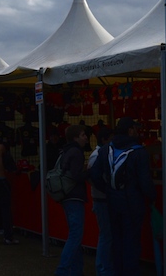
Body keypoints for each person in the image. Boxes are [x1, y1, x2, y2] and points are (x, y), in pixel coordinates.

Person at [90, 118, 155, 276]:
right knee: (131, 241)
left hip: (113, 202)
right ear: (130, 130)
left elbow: (94, 175)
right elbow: (145, 182)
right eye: (135, 128)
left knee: (117, 240)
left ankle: (118, 271)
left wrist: (108, 190)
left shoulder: (105, 149)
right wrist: (151, 197)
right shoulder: (139, 152)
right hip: (133, 204)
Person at [54, 125, 89, 276]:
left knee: (75, 235)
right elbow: (76, 175)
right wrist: (89, 171)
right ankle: (63, 270)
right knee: (75, 235)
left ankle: (76, 270)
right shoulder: (76, 152)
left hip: (67, 196)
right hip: (74, 197)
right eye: (83, 135)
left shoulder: (66, 150)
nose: (86, 137)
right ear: (75, 138)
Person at [88, 127, 114, 276]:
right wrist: (106, 190)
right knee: (106, 236)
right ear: (104, 140)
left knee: (107, 235)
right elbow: (93, 178)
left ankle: (105, 268)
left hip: (102, 198)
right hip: (101, 199)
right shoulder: (97, 155)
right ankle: (103, 269)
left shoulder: (100, 154)